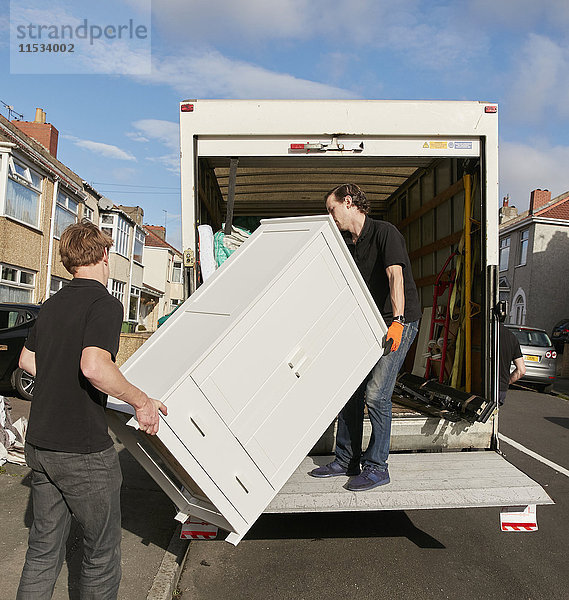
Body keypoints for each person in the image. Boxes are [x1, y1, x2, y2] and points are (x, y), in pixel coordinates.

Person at [17, 221, 167, 600]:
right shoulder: (104, 303)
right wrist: (141, 401)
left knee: (42, 550)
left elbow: (27, 360)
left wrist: (67, 375)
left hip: (40, 445)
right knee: (100, 555)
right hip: (83, 453)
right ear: (104, 256)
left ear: (69, 260)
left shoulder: (51, 304)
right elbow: (94, 367)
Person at [309, 183, 421, 491]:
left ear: (348, 203)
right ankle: (347, 459)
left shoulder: (386, 233)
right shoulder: (347, 242)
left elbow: (395, 276)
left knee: (376, 393)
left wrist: (397, 321)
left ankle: (377, 467)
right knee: (351, 389)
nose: (330, 217)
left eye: (331, 210)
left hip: (399, 320)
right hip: (369, 323)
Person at [498, 321, 525, 405]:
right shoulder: (512, 337)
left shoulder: (480, 331)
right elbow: (521, 371)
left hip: (478, 387)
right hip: (500, 388)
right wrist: (506, 382)